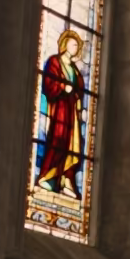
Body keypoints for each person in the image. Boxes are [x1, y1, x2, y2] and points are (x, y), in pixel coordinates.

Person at [35, 28, 87, 200]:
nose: (75, 48)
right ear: (65, 44)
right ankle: (47, 177)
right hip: (59, 110)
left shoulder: (75, 70)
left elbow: (80, 90)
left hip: (71, 112)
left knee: (73, 147)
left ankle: (66, 180)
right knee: (58, 140)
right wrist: (63, 88)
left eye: (77, 46)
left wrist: (81, 108)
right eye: (73, 44)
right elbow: (48, 83)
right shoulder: (54, 62)